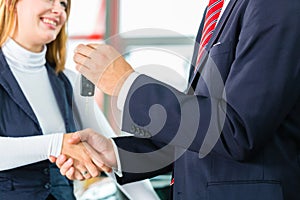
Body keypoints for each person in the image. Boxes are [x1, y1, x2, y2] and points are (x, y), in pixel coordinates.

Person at [55, 0, 300, 199]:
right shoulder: (216, 11)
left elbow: (237, 130)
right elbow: (199, 133)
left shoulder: (273, 5)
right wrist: (119, 153)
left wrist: (125, 84)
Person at [0, 0, 104, 199]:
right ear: (12, 4)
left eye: (64, 4)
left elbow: (112, 152)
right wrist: (57, 144)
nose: (58, 10)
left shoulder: (70, 81)